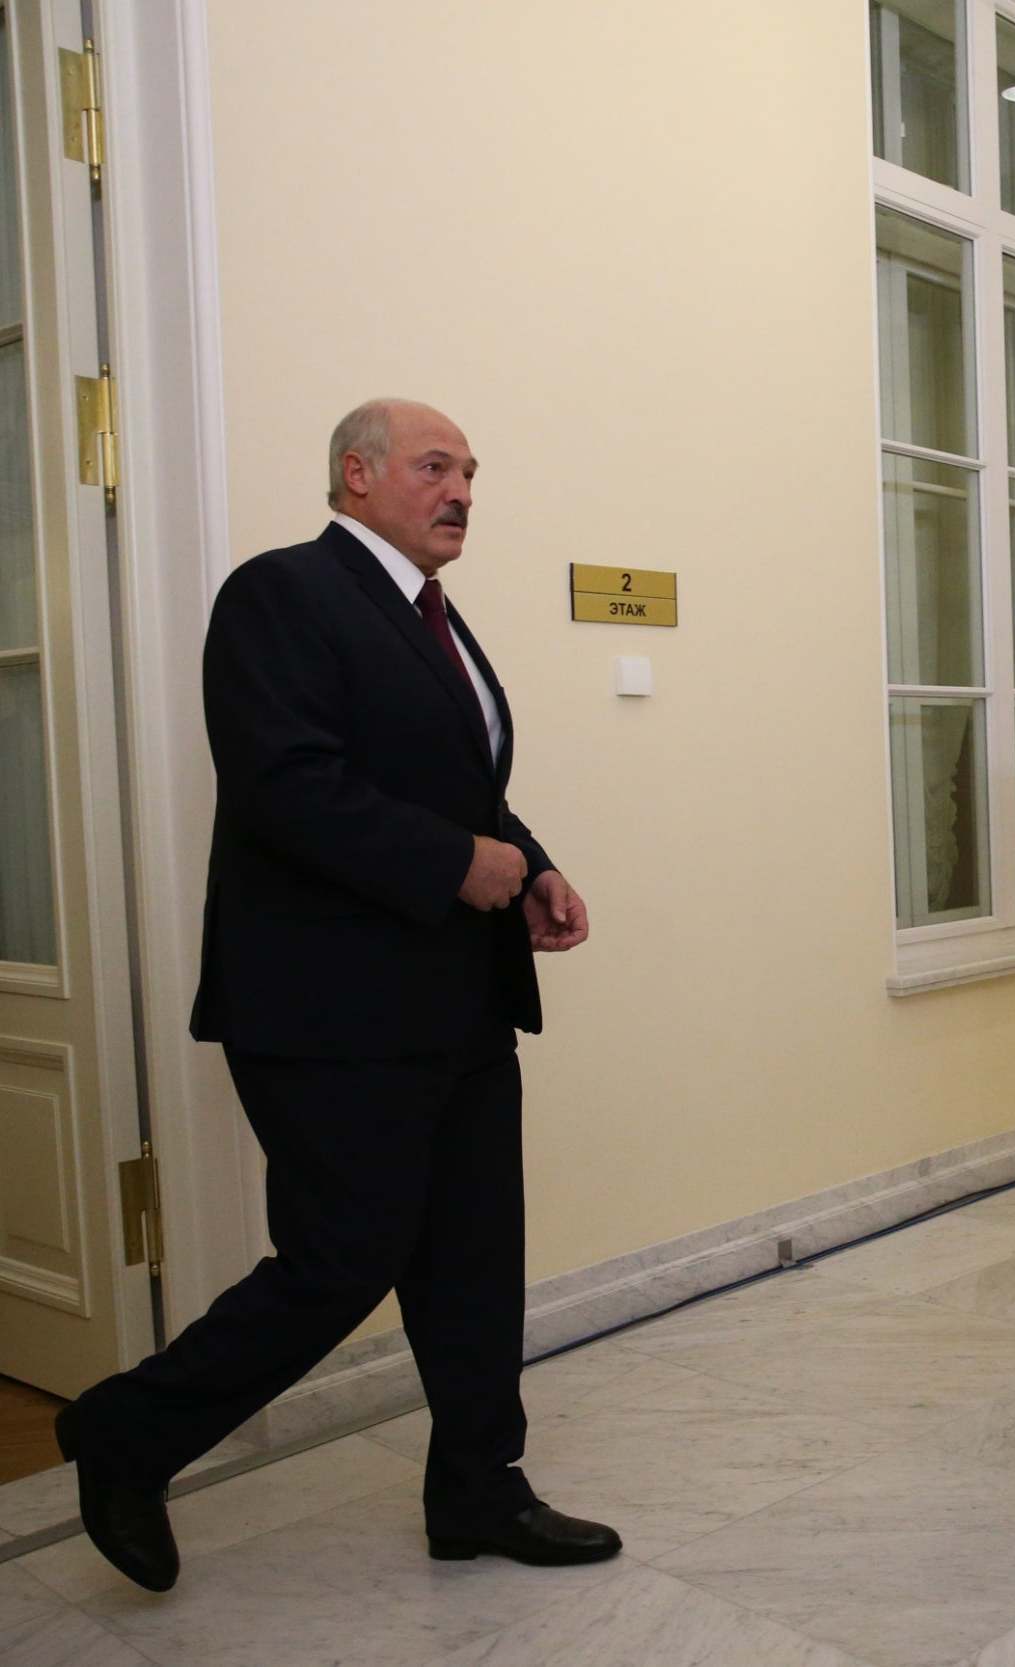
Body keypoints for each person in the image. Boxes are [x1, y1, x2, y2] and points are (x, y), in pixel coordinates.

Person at [55, 399, 620, 1591]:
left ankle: (477, 1486)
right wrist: (455, 864)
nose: (462, 487)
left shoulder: (436, 620)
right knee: (339, 1258)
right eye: (434, 465)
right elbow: (285, 786)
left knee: (473, 1258)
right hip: (329, 1012)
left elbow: (454, 785)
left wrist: (531, 861)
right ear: (355, 476)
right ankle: (126, 1429)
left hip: (458, 999)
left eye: (471, 468)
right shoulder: (280, 595)